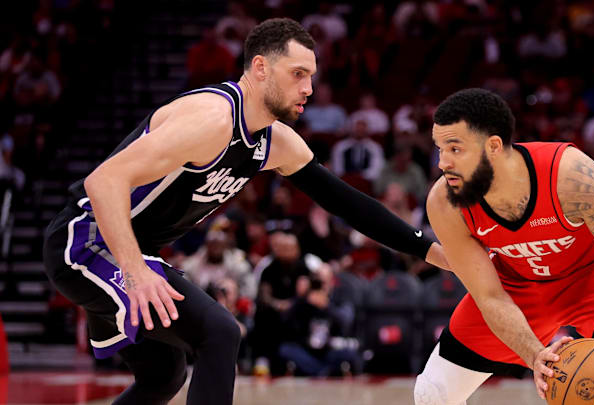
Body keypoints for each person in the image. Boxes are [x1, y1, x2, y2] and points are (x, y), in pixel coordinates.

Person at [42, 18, 447, 405]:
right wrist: (135, 272)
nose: (308, 87)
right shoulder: (211, 118)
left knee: (163, 373)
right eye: (297, 74)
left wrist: (431, 251)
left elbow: (349, 205)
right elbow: (103, 182)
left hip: (128, 249)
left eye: (312, 76)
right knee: (219, 332)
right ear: (260, 68)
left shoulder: (275, 143)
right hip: (87, 241)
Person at [414, 88, 594, 405]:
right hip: (514, 286)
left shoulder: (571, 175)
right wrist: (534, 354)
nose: (443, 162)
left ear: (493, 146)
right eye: (439, 149)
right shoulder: (445, 202)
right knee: (433, 393)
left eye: (455, 149)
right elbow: (489, 296)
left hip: (591, 278)